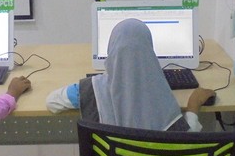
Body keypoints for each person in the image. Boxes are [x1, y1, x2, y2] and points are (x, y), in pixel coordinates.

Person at [46, 18, 215, 131]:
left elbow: (52, 102)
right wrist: (193, 105)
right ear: (149, 52)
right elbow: (186, 139)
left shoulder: (92, 89)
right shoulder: (161, 95)